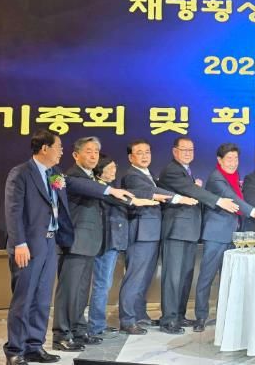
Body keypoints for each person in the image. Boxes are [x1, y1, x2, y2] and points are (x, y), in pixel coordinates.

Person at [3, 130, 133, 365]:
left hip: (50, 242)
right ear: (45, 148)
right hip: (28, 245)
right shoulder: (21, 173)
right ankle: (15, 350)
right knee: (24, 299)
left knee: (43, 299)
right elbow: (13, 211)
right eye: (59, 147)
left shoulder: (54, 173)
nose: (61, 152)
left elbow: (72, 186)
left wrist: (109, 190)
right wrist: (19, 243)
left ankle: (34, 346)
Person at [52, 137, 154, 351]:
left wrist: (132, 199)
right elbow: (88, 187)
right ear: (76, 155)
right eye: (88, 151)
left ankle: (78, 330)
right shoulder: (71, 175)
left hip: (91, 244)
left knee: (81, 292)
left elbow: (107, 194)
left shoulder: (92, 179)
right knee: (69, 291)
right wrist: (110, 190)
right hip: (75, 242)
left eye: (96, 152)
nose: (93, 156)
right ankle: (61, 334)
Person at [157, 136, 241, 333]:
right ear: (174, 151)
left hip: (189, 231)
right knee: (173, 277)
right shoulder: (172, 170)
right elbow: (190, 190)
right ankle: (168, 319)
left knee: (185, 276)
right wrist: (218, 201)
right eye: (184, 150)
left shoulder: (186, 171)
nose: (188, 153)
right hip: (176, 231)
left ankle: (179, 315)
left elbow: (192, 190)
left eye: (191, 150)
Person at [119, 139, 198, 335]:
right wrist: (179, 198)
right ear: (130, 157)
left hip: (153, 233)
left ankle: (139, 315)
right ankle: (127, 320)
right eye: (139, 152)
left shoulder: (150, 174)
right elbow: (152, 192)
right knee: (135, 277)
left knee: (145, 277)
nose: (145, 156)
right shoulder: (132, 175)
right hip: (141, 233)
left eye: (147, 152)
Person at [193, 143, 255, 332]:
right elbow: (233, 199)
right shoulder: (217, 178)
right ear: (220, 160)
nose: (233, 163)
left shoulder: (234, 176)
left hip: (232, 234)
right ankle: (200, 316)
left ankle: (225, 315)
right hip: (216, 235)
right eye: (229, 159)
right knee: (207, 277)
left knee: (229, 278)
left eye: (236, 159)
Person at [87, 154, 125, 339]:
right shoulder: (101, 190)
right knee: (101, 284)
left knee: (104, 284)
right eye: (108, 168)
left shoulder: (110, 188)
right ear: (99, 172)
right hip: (104, 243)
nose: (113, 171)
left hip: (112, 242)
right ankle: (95, 327)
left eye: (114, 167)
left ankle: (98, 324)